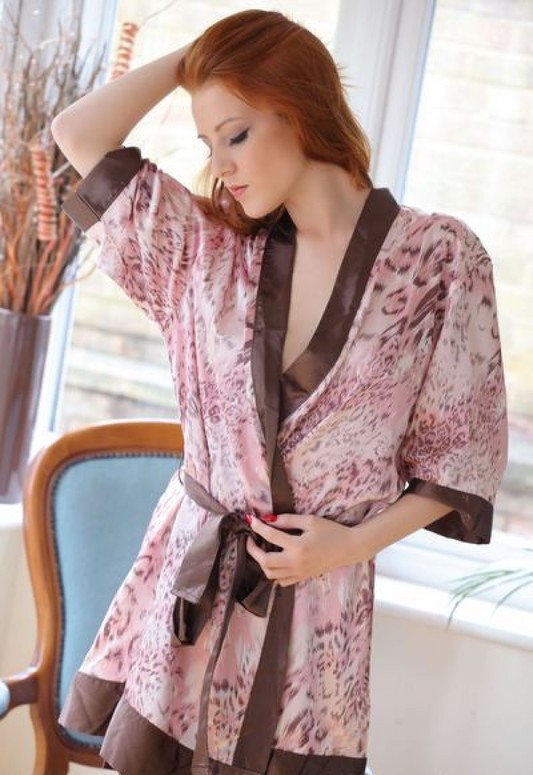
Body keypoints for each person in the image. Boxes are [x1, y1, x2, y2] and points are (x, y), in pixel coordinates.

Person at [51, 9, 507, 775]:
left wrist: (350, 543)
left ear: (299, 108)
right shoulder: (204, 248)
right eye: (207, 143)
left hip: (318, 608)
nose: (220, 164)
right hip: (189, 593)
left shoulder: (439, 259)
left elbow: (461, 450)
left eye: (235, 134)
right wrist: (199, 57)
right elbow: (76, 132)